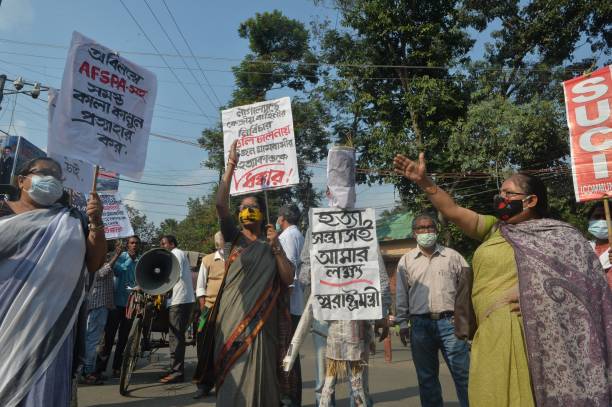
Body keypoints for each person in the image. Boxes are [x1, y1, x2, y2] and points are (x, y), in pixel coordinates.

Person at [394, 152, 612, 407]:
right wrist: (424, 181)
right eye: (501, 193)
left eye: (508, 194)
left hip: (532, 335)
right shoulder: (495, 229)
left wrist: (534, 291)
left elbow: (587, 287)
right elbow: (452, 210)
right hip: (490, 334)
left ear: (530, 200)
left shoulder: (561, 237)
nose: (501, 198)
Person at [0, 156, 106, 406]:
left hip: (51, 329)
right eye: (43, 173)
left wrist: (96, 221)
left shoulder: (72, 220)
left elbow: (94, 262)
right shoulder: (2, 210)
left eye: (56, 177)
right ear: (22, 180)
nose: (50, 180)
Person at [298, 145, 391, 407]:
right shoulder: (316, 226)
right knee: (323, 380)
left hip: (359, 318)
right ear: (327, 192)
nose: (341, 196)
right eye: (336, 190)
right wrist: (319, 274)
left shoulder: (364, 224)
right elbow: (304, 270)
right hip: (325, 316)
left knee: (359, 383)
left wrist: (383, 312)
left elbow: (378, 271)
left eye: (347, 190)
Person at [207, 139, 295, 406]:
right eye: (243, 207)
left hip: (264, 325)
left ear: (261, 213)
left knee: (264, 378)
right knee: (232, 375)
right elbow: (221, 205)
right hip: (233, 321)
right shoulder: (235, 238)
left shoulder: (272, 244)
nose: (247, 211)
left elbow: (288, 278)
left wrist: (277, 247)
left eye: (252, 207)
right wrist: (231, 165)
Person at [395, 213, 470, 407]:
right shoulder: (405, 261)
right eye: (421, 228)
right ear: (414, 233)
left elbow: (466, 292)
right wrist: (402, 323)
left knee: (463, 374)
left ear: (436, 230)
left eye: (430, 227)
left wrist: (467, 322)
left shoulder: (453, 257)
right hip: (419, 325)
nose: (426, 231)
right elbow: (401, 295)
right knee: (427, 379)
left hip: (450, 323)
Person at [96, 235, 140, 378]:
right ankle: (100, 368)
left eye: (136, 243)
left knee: (123, 338)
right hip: (116, 304)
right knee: (108, 338)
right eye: (132, 243)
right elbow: (118, 272)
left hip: (130, 305)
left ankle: (117, 367)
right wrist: (128, 259)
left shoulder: (140, 261)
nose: (134, 245)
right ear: (127, 245)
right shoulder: (121, 257)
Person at [277, 204, 305, 407]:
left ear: (282, 218)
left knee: (288, 354)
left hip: (289, 305)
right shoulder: (298, 235)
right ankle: (292, 397)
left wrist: (284, 303)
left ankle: (291, 399)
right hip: (295, 303)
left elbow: (290, 272)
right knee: (291, 354)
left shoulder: (287, 237)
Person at [193, 231, 226, 399]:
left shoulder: (238, 259)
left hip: (231, 309)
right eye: (223, 239)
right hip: (210, 308)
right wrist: (204, 307)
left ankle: (225, 384)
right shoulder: (208, 260)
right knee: (206, 348)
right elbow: (200, 287)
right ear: (217, 243)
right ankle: (204, 384)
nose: (225, 241)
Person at [159, 235, 196, 384]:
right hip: (178, 300)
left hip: (180, 300)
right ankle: (175, 369)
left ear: (172, 244)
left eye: (164, 243)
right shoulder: (175, 254)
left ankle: (177, 372)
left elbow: (174, 275)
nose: (162, 246)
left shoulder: (176, 253)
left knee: (176, 337)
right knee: (175, 336)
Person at [81, 243, 119, 385]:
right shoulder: (94, 264)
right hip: (98, 305)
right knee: (92, 340)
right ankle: (87, 372)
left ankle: (87, 370)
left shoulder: (96, 261)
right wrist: (116, 256)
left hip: (100, 305)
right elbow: (102, 273)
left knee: (91, 339)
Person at [587, 202, 612, 290]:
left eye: (606, 217)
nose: (602, 221)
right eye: (597, 217)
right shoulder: (584, 247)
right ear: (589, 221)